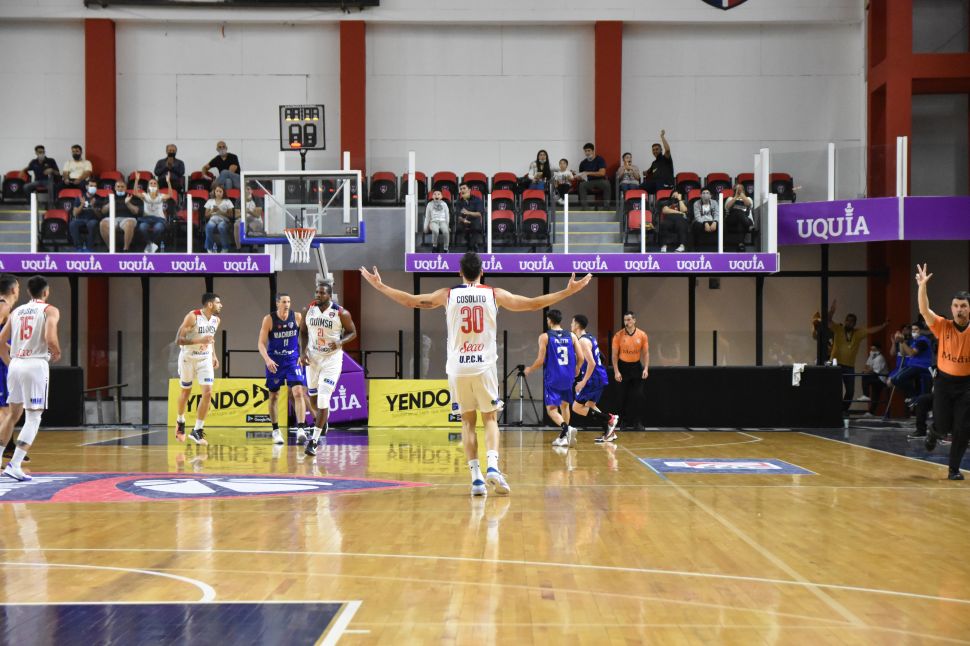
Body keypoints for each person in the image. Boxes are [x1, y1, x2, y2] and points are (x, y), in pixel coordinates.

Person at [360, 252, 592, 496]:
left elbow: (410, 301)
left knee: (467, 422)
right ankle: (492, 466)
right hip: (484, 367)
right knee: (489, 419)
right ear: (482, 272)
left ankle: (476, 480)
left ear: (460, 273)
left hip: (458, 368)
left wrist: (380, 286)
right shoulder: (494, 294)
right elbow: (533, 303)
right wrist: (568, 291)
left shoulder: (447, 294)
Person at [0, 276, 61, 481]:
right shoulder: (50, 310)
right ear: (46, 292)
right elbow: (50, 338)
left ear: (28, 292)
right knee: (34, 417)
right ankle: (15, 464)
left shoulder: (16, 311)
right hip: (35, 365)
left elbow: (0, 341)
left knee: (12, 415)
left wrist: (11, 362)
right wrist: (56, 352)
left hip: (16, 364)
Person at [916, 265, 970, 480]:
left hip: (966, 386)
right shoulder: (943, 326)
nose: (959, 309)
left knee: (963, 429)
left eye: (963, 306)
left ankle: (953, 470)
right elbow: (924, 310)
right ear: (951, 308)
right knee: (943, 425)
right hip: (944, 384)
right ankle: (935, 432)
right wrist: (922, 287)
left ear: (969, 309)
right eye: (956, 306)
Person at [300, 283, 357, 457]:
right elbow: (303, 332)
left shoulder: (341, 313)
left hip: (332, 360)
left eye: (322, 293)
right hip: (313, 358)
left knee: (324, 398)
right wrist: (302, 352)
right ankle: (323, 420)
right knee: (314, 401)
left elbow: (352, 332)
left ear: (329, 296)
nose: (318, 295)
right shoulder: (308, 310)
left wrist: (340, 342)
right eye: (317, 292)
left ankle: (314, 442)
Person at [524, 309, 581, 448]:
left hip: (553, 377)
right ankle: (565, 437)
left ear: (549, 320)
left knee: (551, 410)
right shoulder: (572, 336)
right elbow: (581, 357)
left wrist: (530, 369)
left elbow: (540, 360)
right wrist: (577, 368)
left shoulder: (545, 337)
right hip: (568, 376)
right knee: (565, 406)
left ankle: (566, 429)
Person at [258, 294, 309, 445]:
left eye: (289, 301)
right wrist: (267, 360)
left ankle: (301, 429)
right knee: (274, 396)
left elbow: (305, 335)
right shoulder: (269, 319)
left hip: (293, 360)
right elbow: (261, 343)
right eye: (284, 302)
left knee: (298, 392)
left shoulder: (297, 317)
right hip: (275, 361)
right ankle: (275, 430)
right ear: (277, 303)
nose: (287, 304)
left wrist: (303, 353)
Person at [173, 293, 223, 446]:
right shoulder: (193, 316)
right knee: (185, 392)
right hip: (188, 358)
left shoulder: (216, 320)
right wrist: (199, 340)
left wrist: (213, 355)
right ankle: (180, 420)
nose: (221, 305)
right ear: (210, 304)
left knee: (208, 392)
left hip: (204, 358)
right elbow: (178, 340)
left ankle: (197, 430)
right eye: (218, 303)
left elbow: (210, 339)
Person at [826, 300, 889, 412]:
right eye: (848, 320)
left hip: (849, 366)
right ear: (845, 321)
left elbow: (871, 330)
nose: (849, 323)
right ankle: (833, 411)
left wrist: (883, 325)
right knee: (834, 389)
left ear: (855, 323)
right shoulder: (838, 329)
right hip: (835, 364)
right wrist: (831, 311)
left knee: (850, 391)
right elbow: (828, 322)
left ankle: (843, 411)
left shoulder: (858, 333)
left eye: (852, 321)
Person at [570, 314, 619, 443]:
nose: (571, 325)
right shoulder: (590, 337)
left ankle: (610, 418)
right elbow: (601, 357)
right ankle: (609, 432)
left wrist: (583, 382)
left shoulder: (582, 341)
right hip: (599, 376)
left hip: (593, 378)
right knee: (590, 405)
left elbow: (591, 363)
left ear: (577, 325)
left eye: (572, 323)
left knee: (576, 407)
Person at [612, 311, 649, 432]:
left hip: (636, 367)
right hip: (623, 367)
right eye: (625, 320)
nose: (626, 322)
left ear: (634, 320)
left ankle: (637, 422)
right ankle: (624, 422)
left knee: (638, 395)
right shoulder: (618, 335)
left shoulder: (642, 335)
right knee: (623, 396)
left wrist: (646, 368)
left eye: (628, 320)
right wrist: (616, 371)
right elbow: (614, 355)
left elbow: (646, 353)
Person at [0, 275, 21, 461]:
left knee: (7, 412)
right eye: (19, 287)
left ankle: (6, 449)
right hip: (2, 364)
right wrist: (12, 355)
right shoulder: (3, 306)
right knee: (6, 412)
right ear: (14, 289)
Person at [890, 322, 934, 406]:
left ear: (921, 331)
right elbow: (903, 353)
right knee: (894, 379)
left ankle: (914, 396)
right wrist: (900, 341)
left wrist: (902, 341)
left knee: (897, 379)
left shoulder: (923, 340)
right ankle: (913, 396)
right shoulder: (914, 341)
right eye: (912, 330)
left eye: (916, 329)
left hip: (921, 366)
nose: (913, 331)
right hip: (913, 366)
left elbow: (911, 353)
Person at [128, 174, 168, 253]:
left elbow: (170, 195)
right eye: (151, 183)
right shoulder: (144, 195)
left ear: (157, 186)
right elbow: (135, 192)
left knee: (158, 228)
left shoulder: (161, 196)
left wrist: (168, 182)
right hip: (146, 219)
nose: (153, 185)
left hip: (159, 219)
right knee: (142, 227)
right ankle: (151, 244)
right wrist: (136, 180)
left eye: (155, 183)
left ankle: (150, 244)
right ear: (148, 186)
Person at [69, 178, 109, 251]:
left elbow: (100, 216)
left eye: (95, 186)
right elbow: (74, 213)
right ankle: (79, 247)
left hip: (93, 219)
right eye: (91, 186)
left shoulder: (99, 198)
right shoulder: (80, 197)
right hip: (81, 219)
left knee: (91, 224)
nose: (93, 188)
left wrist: (93, 207)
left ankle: (89, 247)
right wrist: (82, 205)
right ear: (87, 187)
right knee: (73, 224)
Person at [100, 179, 137, 251]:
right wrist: (110, 204)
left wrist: (128, 203)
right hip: (112, 218)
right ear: (115, 188)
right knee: (102, 224)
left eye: (122, 187)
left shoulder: (131, 196)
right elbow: (103, 211)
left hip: (127, 218)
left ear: (126, 188)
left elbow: (136, 212)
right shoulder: (110, 196)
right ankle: (111, 248)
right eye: (118, 186)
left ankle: (126, 249)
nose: (120, 188)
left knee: (129, 223)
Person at [576, 143, 609, 209]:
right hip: (588, 181)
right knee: (582, 185)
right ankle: (585, 208)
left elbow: (602, 173)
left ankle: (606, 207)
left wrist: (588, 173)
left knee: (607, 184)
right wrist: (578, 177)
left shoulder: (600, 159)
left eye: (589, 150)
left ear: (593, 151)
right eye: (585, 151)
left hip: (600, 180)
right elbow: (582, 175)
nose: (587, 153)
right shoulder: (583, 163)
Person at [204, 185, 235, 253]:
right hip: (213, 219)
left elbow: (231, 215)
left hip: (224, 220)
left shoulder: (227, 201)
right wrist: (212, 211)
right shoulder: (210, 201)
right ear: (214, 192)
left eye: (220, 191)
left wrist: (220, 212)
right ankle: (209, 247)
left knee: (221, 227)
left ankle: (225, 247)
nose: (218, 193)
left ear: (223, 192)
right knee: (209, 227)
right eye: (217, 191)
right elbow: (206, 215)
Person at [860, 342, 889, 416]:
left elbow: (875, 371)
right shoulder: (871, 356)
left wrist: (867, 370)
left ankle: (866, 395)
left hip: (881, 379)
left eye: (874, 349)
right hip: (875, 377)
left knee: (865, 377)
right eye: (871, 349)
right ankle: (871, 412)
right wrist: (867, 370)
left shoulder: (880, 358)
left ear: (879, 350)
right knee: (875, 395)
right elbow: (867, 366)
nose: (872, 351)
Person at [641, 129, 674, 194]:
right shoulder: (654, 163)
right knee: (640, 187)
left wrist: (662, 136)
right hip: (655, 184)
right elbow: (647, 172)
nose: (655, 151)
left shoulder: (665, 158)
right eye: (653, 150)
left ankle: (660, 200)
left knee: (658, 184)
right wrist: (643, 172)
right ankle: (643, 201)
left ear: (661, 150)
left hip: (666, 184)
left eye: (657, 149)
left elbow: (667, 150)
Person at [724, 183, 754, 251]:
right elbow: (727, 207)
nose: (739, 191)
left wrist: (742, 195)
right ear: (734, 191)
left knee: (740, 221)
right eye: (737, 189)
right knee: (738, 211)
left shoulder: (748, 198)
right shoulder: (730, 198)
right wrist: (736, 197)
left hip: (744, 219)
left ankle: (741, 244)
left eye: (741, 189)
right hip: (732, 219)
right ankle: (749, 225)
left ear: (744, 190)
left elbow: (748, 204)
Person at [455, 183, 484, 252]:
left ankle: (470, 247)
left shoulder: (477, 199)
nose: (462, 190)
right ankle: (473, 244)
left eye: (464, 188)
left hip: (475, 219)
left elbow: (479, 214)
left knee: (476, 227)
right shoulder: (459, 201)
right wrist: (463, 220)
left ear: (469, 190)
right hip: (464, 219)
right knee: (460, 227)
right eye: (461, 189)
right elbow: (458, 215)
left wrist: (468, 212)